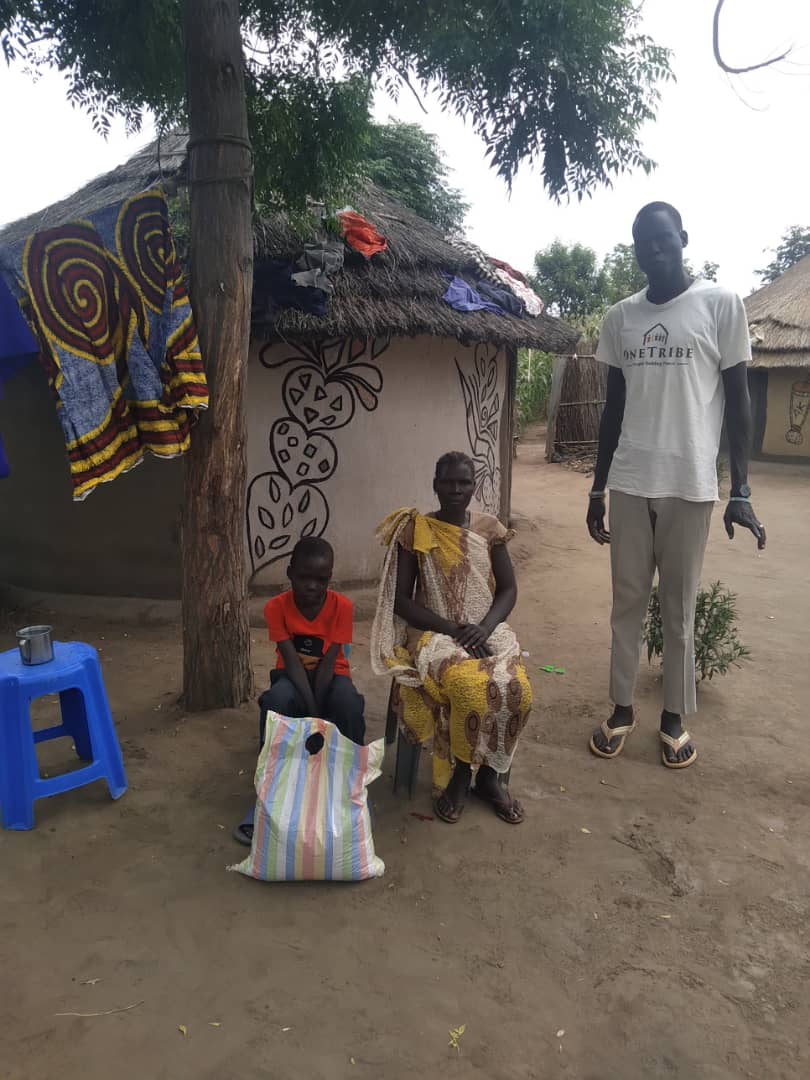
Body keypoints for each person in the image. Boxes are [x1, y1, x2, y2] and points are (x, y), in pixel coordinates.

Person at [586, 202, 766, 769]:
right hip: (630, 481)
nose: (653, 249)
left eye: (663, 238)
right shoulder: (621, 317)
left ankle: (673, 716)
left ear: (683, 238)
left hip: (690, 483)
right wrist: (596, 489)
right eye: (643, 241)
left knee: (678, 607)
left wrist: (741, 489)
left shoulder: (720, 304)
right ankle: (621, 709)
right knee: (626, 603)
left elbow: (738, 401)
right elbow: (613, 409)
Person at [371, 451, 532, 824]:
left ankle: (488, 777)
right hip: (434, 633)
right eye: (448, 482)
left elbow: (508, 589)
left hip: (485, 627)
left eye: (464, 482)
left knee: (518, 688)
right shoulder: (417, 530)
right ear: (435, 485)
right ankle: (461, 773)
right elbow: (402, 600)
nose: (456, 489)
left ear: (474, 486)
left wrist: (484, 628)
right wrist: (452, 629)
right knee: (467, 686)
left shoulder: (489, 528)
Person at [233, 536, 365, 844]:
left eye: (321, 580)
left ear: (329, 578)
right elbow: (291, 662)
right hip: (291, 676)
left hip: (332, 676)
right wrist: (313, 713)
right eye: (304, 578)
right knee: (276, 701)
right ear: (290, 573)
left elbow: (330, 664)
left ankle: (352, 789)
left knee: (348, 703)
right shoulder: (276, 607)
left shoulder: (342, 607)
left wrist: (315, 716)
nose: (312, 586)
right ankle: (268, 793)